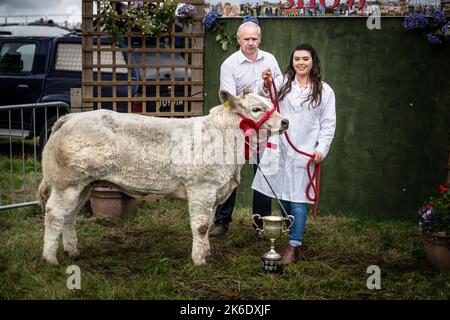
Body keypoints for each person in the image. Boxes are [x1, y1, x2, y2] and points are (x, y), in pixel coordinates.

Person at [252, 43, 336, 266]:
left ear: (313, 62)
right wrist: (266, 81)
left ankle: (294, 245)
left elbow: (328, 123)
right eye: (297, 59)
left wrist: (321, 149)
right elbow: (264, 94)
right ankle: (289, 236)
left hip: (305, 149)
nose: (301, 62)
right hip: (280, 146)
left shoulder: (325, 91)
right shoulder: (282, 83)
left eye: (305, 59)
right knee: (282, 195)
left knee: (298, 198)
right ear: (292, 62)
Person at [208, 21, 283, 239]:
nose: (251, 42)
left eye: (254, 39)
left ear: (259, 39)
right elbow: (230, 101)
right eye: (246, 39)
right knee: (230, 173)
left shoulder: (270, 60)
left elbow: (277, 90)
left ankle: (260, 223)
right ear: (238, 39)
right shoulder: (229, 64)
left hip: (264, 127)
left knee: (263, 172)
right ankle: (221, 222)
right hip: (238, 128)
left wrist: (268, 84)